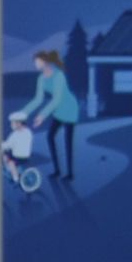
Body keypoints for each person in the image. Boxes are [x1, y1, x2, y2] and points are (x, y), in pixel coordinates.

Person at [20, 47, 82, 185]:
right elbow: (38, 99)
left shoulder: (59, 75)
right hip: (58, 110)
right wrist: (23, 112)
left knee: (68, 141)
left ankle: (70, 173)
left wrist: (42, 116)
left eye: (36, 61)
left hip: (70, 109)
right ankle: (57, 170)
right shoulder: (41, 79)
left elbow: (57, 98)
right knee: (50, 137)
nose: (35, 64)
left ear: (44, 61)